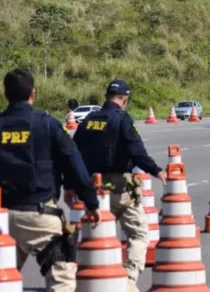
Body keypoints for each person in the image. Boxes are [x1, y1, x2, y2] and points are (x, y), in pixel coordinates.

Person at [0, 68, 101, 292]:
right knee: (62, 281)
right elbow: (74, 164)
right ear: (33, 94)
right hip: (41, 217)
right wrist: (91, 202)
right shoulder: (48, 126)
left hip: (1, 221)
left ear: (6, 94)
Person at [68, 78, 166, 292]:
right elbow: (136, 150)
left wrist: (69, 184)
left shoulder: (88, 121)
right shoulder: (122, 119)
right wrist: (156, 169)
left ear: (106, 96)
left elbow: (72, 154)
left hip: (92, 189)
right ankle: (128, 282)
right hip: (118, 189)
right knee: (139, 233)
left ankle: (85, 281)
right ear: (125, 99)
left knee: (93, 235)